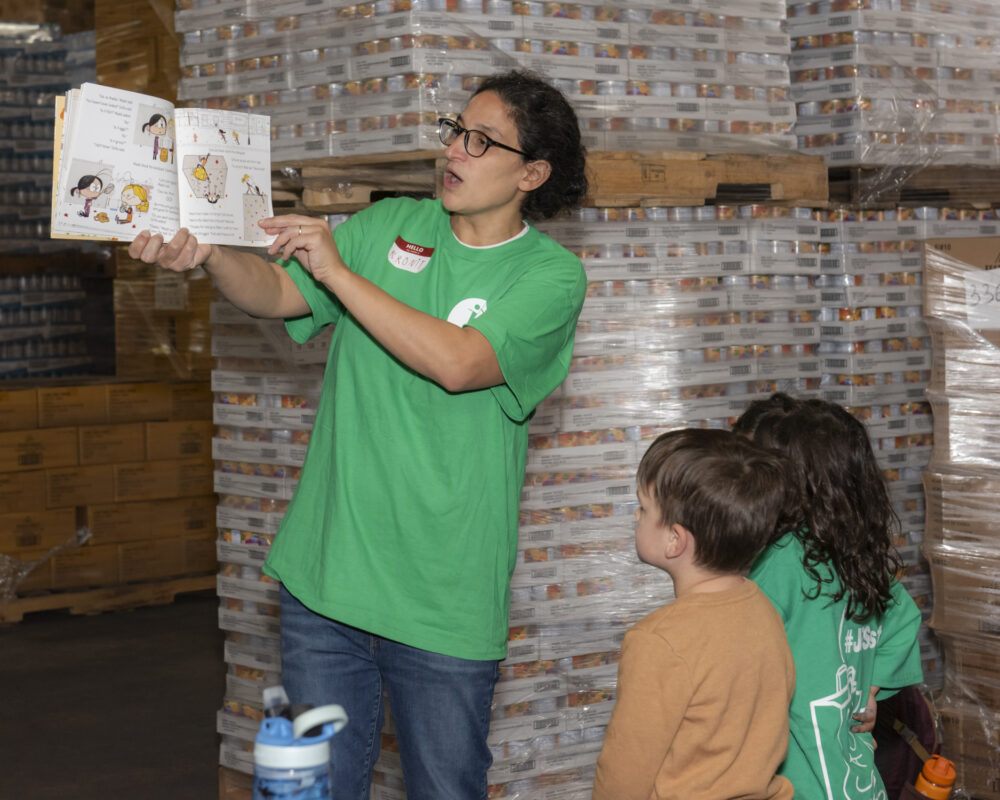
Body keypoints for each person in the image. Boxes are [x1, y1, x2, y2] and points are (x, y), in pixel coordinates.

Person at [127, 69, 589, 800]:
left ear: (532, 173)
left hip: (441, 598)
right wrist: (212, 256)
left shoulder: (550, 277)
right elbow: (279, 292)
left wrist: (339, 274)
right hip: (326, 581)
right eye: (455, 130)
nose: (454, 150)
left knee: (445, 789)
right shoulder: (389, 224)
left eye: (481, 141)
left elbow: (459, 362)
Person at [732, 393, 924, 800]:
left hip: (795, 785)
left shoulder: (773, 566)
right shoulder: (854, 555)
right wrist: (868, 691)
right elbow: (904, 618)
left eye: (748, 468)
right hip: (854, 782)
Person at [592, 428, 799, 800]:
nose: (637, 516)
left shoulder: (659, 642)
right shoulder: (763, 610)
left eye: (644, 508)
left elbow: (624, 778)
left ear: (675, 539)